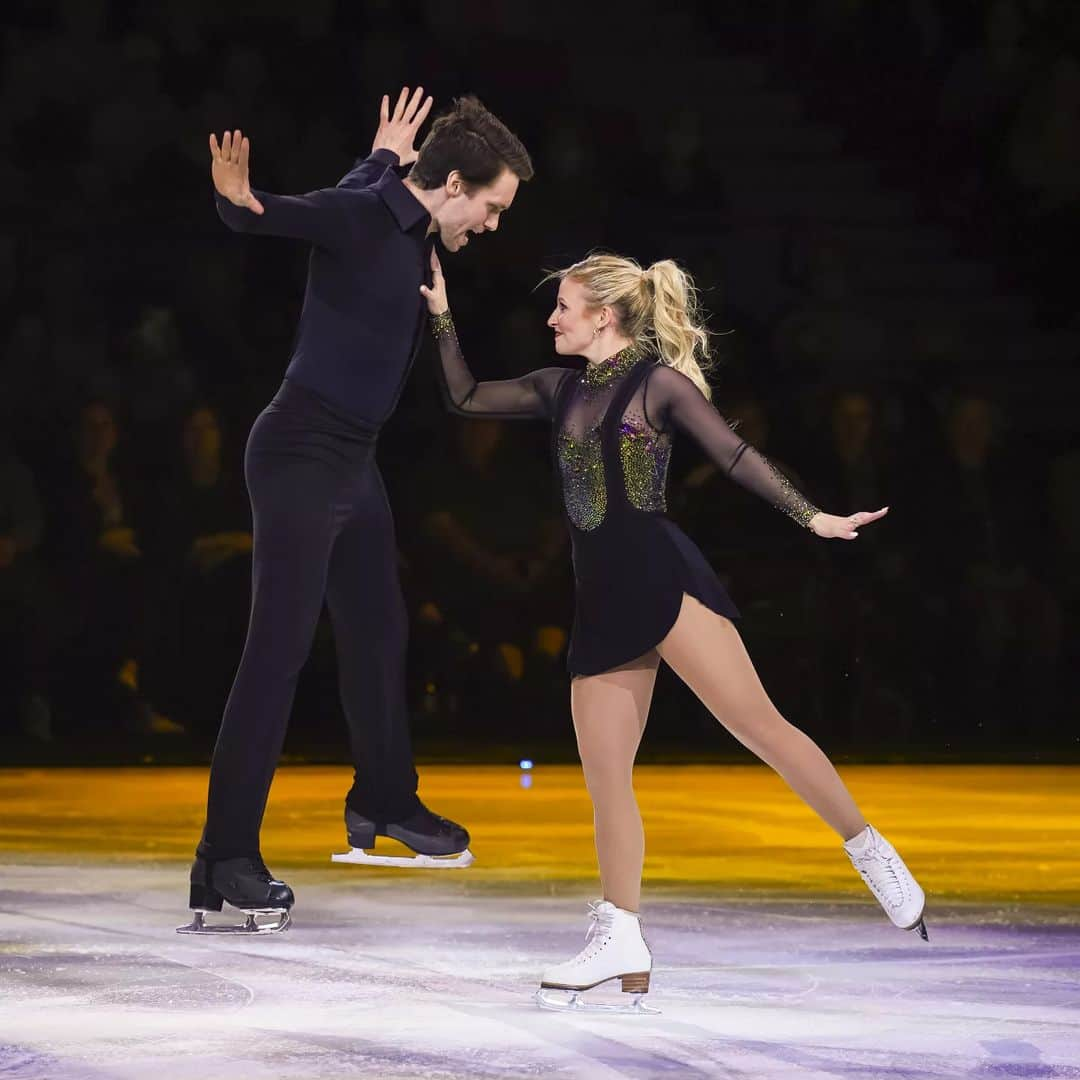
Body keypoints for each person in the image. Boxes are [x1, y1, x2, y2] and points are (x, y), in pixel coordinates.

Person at [420, 250, 928, 1011]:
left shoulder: (657, 384)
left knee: (758, 725)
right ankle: (621, 933)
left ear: (605, 315)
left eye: (564, 306)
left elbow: (734, 454)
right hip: (601, 596)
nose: (551, 318)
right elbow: (461, 395)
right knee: (606, 782)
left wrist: (814, 516)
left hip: (664, 580)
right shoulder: (551, 389)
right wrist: (440, 312)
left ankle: (870, 849)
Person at [181, 88, 534, 934]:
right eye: (490, 207)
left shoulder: (395, 203)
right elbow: (285, 215)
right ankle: (224, 856)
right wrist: (240, 202)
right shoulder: (361, 217)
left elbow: (374, 180)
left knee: (379, 629)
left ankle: (384, 800)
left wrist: (382, 152)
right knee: (278, 652)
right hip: (301, 453)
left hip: (353, 461)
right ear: (452, 185)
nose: (491, 226)